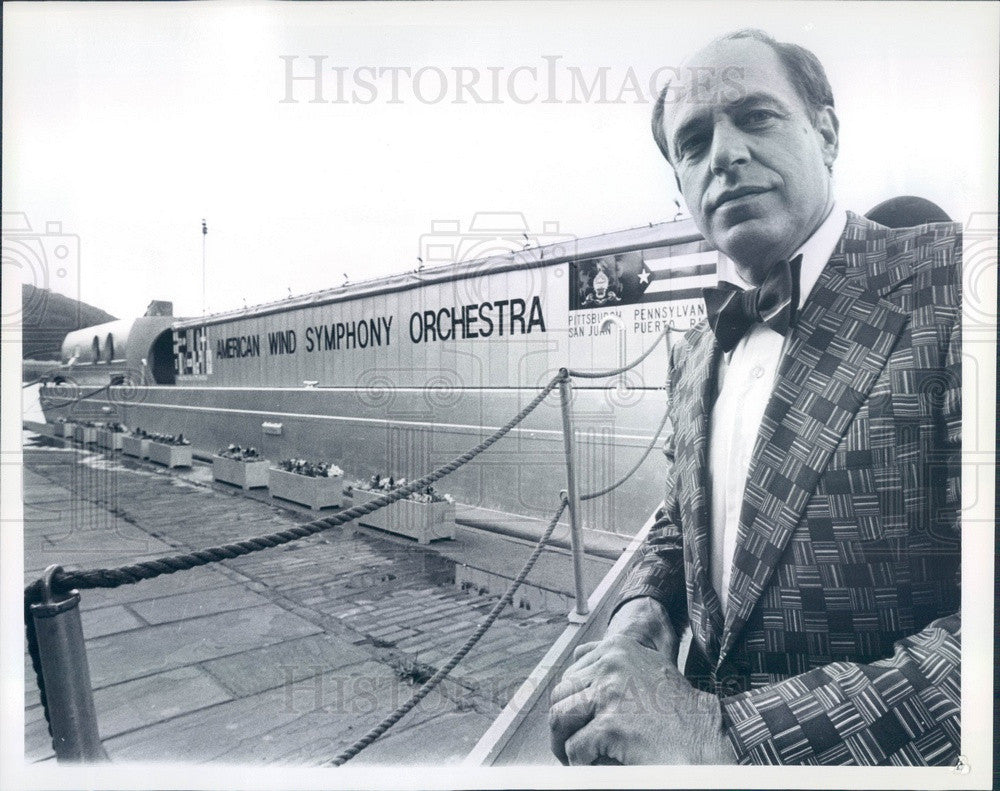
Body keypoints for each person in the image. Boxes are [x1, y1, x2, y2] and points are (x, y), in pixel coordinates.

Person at [548, 28, 961, 766]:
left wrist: (721, 733)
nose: (725, 154)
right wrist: (642, 615)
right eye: (694, 141)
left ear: (826, 133)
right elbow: (680, 523)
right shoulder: (695, 353)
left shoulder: (958, 285)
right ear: (680, 182)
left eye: (756, 117)